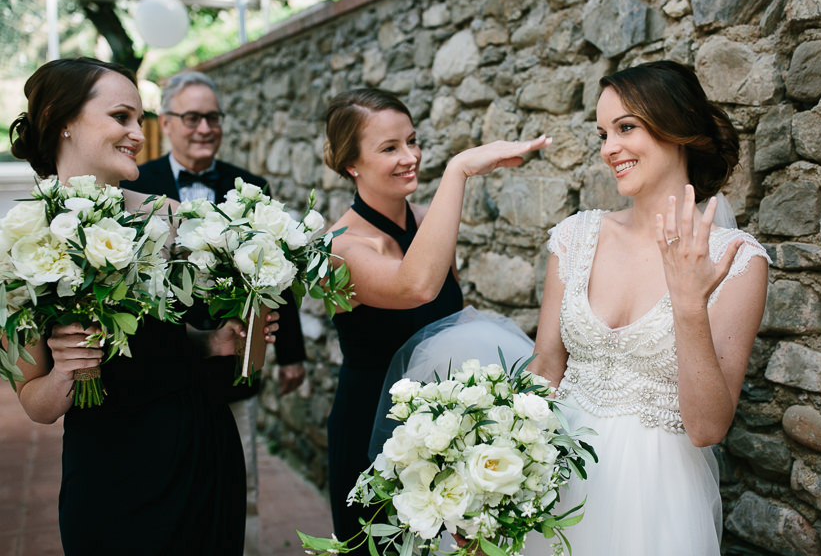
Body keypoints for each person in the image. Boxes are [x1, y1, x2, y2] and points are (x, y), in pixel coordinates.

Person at [7, 57, 282, 555]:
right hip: (106, 470)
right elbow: (36, 404)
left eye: (140, 119)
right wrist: (67, 370)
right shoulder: (20, 243)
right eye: (121, 117)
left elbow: (244, 364)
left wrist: (227, 331)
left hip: (199, 450)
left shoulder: (176, 220)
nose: (137, 133)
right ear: (60, 119)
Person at [522, 60, 770, 555]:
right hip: (556, 479)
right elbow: (545, 370)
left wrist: (688, 307)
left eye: (626, 128)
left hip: (656, 497)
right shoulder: (574, 237)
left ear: (676, 129)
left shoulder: (735, 259)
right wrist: (490, 466)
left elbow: (707, 428)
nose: (609, 148)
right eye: (603, 133)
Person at [321, 88, 550, 553]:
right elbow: (416, 287)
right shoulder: (339, 248)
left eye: (413, 140)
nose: (410, 157)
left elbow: (451, 313)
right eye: (389, 148)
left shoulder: (429, 220)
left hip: (450, 427)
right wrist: (459, 169)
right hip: (374, 431)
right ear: (351, 164)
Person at [121, 71, 307, 556]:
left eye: (213, 117)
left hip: (233, 364)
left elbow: (278, 276)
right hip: (161, 363)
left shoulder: (251, 187)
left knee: (239, 480)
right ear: (167, 121)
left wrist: (290, 354)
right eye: (192, 117)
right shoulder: (138, 186)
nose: (205, 127)